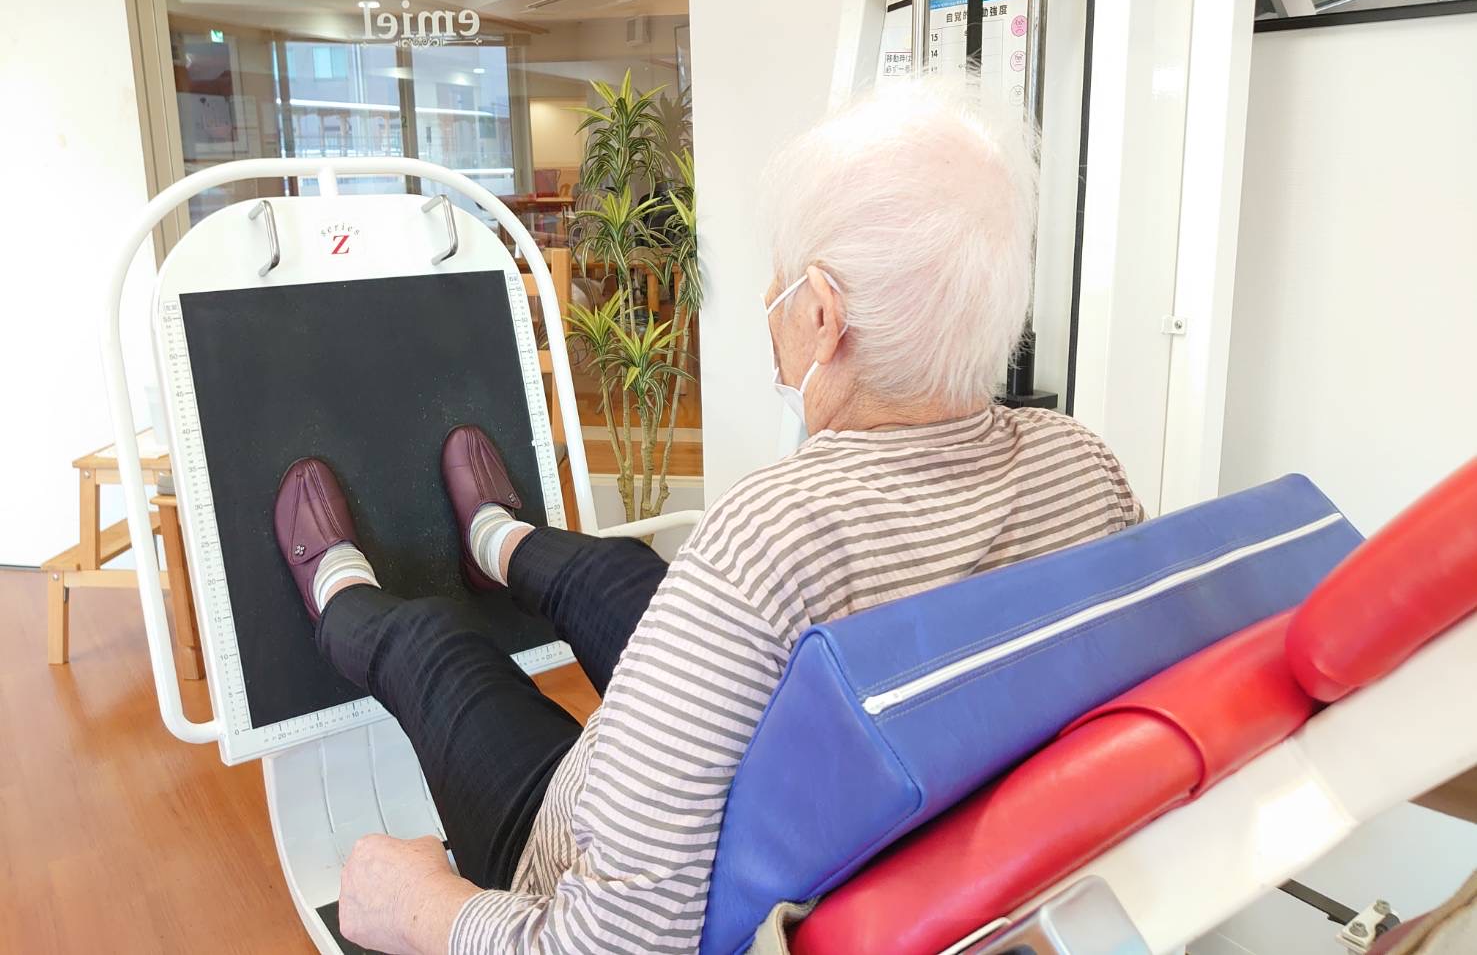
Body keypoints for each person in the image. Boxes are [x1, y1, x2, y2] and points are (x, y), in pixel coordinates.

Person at [271, 78, 1144, 955]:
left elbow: (606, 947)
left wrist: (419, 906)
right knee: (615, 574)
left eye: (780, 280)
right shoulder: (1083, 465)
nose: (768, 299)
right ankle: (495, 542)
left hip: (582, 867)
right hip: (826, 770)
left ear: (821, 313)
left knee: (435, 648)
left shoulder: (777, 538)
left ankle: (341, 596)